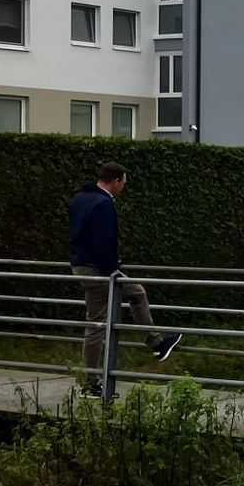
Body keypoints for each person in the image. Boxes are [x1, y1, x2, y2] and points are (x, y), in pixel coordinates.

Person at [68, 162, 179, 396]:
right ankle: (91, 381)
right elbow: (103, 239)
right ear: (116, 181)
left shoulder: (81, 198)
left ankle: (156, 343)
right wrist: (111, 269)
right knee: (98, 322)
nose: (123, 188)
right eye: (123, 184)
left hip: (82, 264)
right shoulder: (103, 203)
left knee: (131, 295)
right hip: (97, 269)